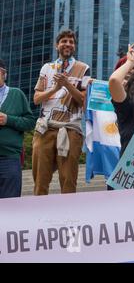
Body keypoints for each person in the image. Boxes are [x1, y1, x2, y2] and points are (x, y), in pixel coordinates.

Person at [33, 30, 91, 195]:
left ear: (74, 46)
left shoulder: (83, 68)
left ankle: (68, 217)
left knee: (68, 180)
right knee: (40, 180)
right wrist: (56, 88)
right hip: (45, 128)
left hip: (71, 129)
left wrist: (67, 85)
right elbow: (37, 98)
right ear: (57, 45)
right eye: (64, 41)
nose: (68, 44)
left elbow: (83, 101)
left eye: (71, 42)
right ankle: (38, 216)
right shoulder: (47, 68)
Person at [0, 59, 35, 198]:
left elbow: (30, 122)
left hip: (9, 158)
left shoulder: (17, 94)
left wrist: (8, 119)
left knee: (10, 205)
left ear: (4, 74)